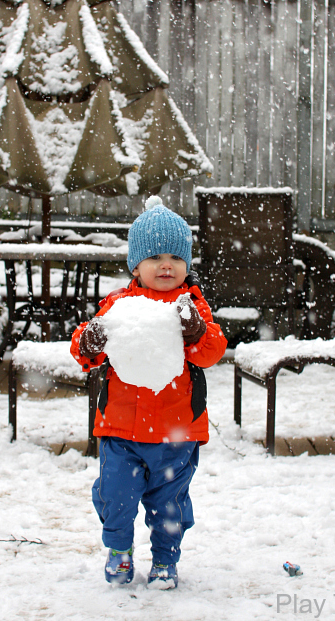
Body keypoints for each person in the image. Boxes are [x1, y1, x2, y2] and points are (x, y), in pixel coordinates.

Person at [70, 196, 227, 589]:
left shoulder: (192, 307)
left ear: (187, 265)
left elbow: (212, 352)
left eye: (176, 256)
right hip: (120, 430)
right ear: (135, 265)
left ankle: (164, 561)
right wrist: (91, 341)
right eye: (155, 256)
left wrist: (195, 332)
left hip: (176, 432)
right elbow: (84, 350)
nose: (166, 264)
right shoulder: (119, 305)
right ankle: (119, 551)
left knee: (169, 505)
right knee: (115, 496)